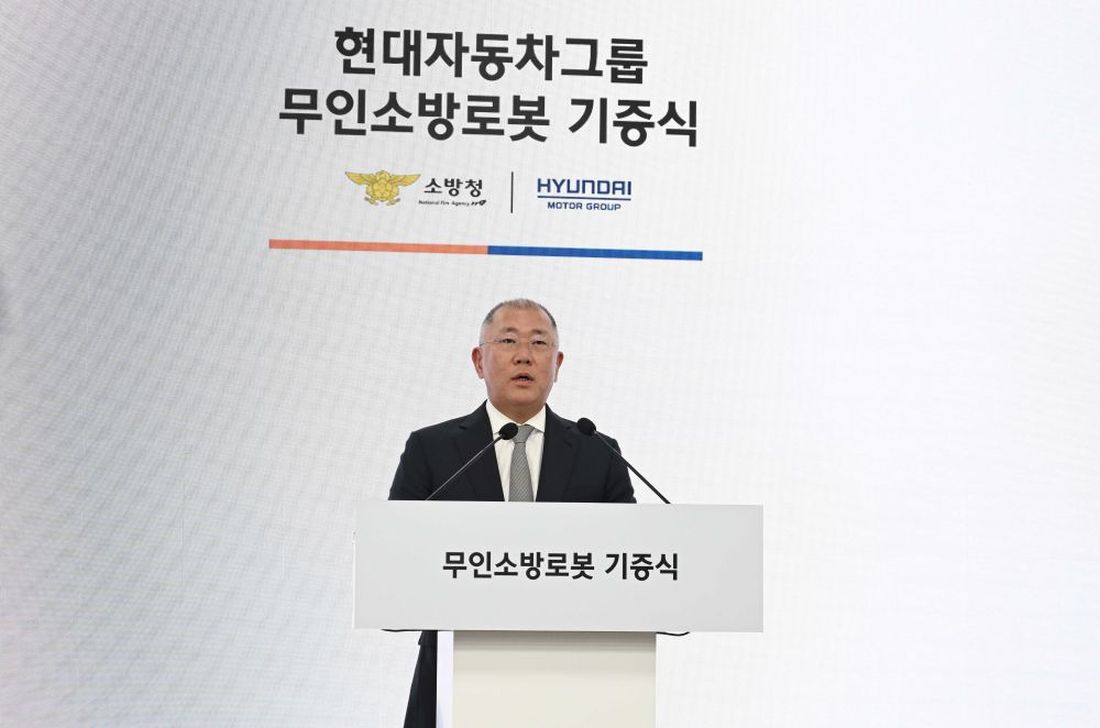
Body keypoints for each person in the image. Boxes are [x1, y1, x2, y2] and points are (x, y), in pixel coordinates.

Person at [388, 298, 636, 728]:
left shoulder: (599, 452)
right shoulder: (431, 449)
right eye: (507, 341)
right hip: (455, 674)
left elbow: (630, 561)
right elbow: (393, 556)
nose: (524, 355)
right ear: (478, 360)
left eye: (539, 343)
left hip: (573, 677)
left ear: (557, 364)